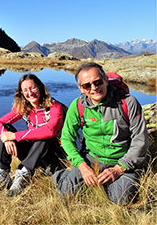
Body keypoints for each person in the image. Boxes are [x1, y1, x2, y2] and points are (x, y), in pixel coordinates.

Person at [53, 62, 148, 205]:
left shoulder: (128, 103)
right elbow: (66, 138)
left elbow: (140, 141)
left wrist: (118, 169)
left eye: (97, 82)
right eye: (87, 85)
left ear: (105, 80)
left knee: (121, 200)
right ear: (80, 88)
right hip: (91, 159)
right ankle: (61, 175)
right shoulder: (77, 106)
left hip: (121, 161)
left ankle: (114, 182)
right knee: (65, 193)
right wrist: (82, 166)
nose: (94, 88)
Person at [0, 74, 66, 196]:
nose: (30, 93)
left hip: (54, 155)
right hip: (34, 154)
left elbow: (50, 131)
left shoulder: (54, 107)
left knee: (44, 135)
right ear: (22, 93)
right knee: (5, 129)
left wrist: (15, 136)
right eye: (25, 90)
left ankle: (23, 175)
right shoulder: (25, 108)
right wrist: (7, 138)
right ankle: (2, 175)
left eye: (33, 88)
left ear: (40, 88)